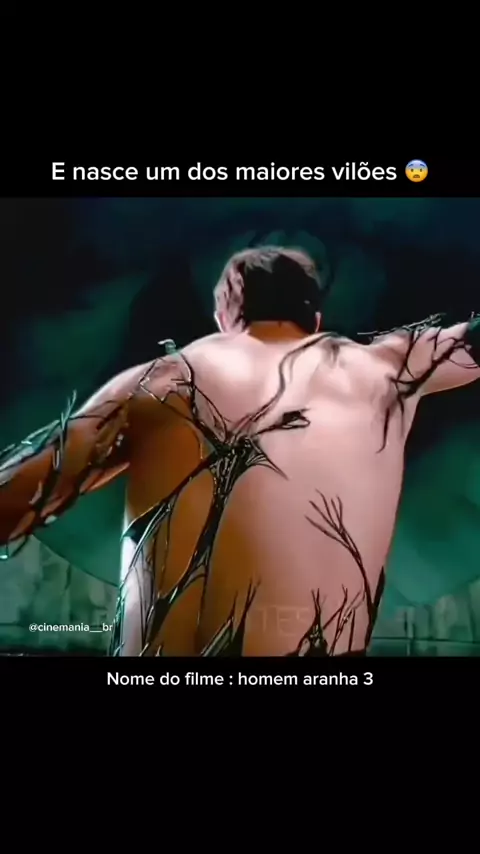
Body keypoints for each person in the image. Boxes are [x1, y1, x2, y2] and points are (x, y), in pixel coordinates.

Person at [1, 246, 480, 657]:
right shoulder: (387, 369)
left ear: (225, 314)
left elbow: (21, 489)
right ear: (314, 318)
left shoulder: (159, 382)